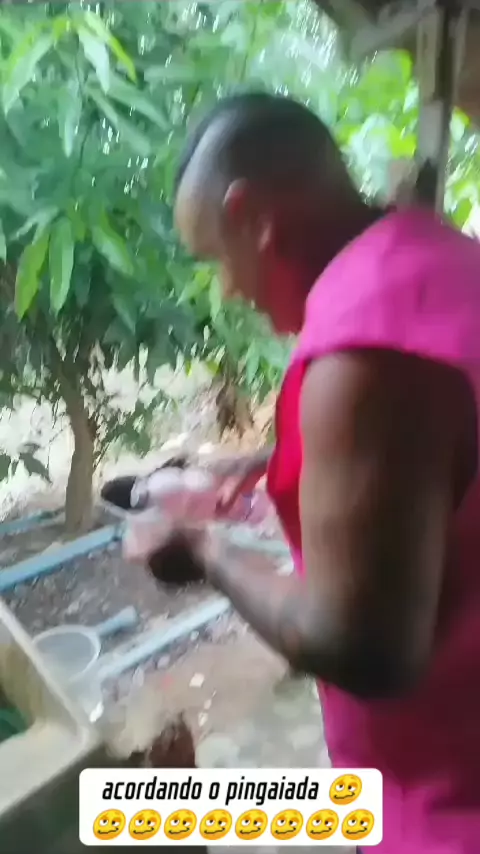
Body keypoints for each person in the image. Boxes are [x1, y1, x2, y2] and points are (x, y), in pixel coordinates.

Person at [124, 92, 480, 853]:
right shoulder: (431, 256)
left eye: (218, 259)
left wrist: (203, 549)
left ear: (252, 215)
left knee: (125, 810)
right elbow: (433, 459)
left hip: (447, 804)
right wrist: (277, 457)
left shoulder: (367, 351)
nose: (229, 290)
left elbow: (361, 645)